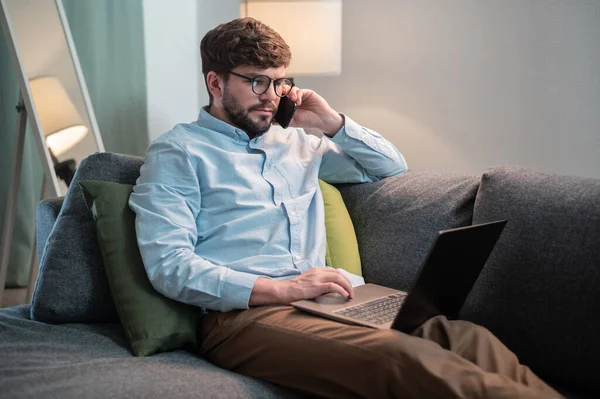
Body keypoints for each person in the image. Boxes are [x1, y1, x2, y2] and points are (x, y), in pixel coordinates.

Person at [129, 17, 560, 399]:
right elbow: (170, 265)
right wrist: (283, 288)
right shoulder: (179, 152)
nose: (272, 95)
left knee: (466, 337)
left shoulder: (298, 141)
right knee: (401, 357)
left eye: (280, 82)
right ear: (216, 83)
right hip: (244, 317)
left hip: (331, 300)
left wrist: (333, 122)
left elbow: (390, 166)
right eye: (257, 81)